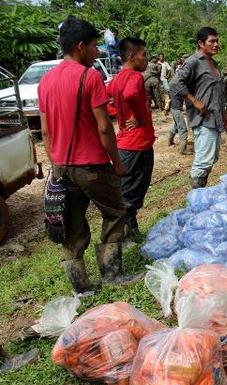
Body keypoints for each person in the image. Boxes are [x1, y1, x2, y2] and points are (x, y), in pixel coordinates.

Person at [38, 16, 134, 294]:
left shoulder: (46, 82)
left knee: (73, 224)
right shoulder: (89, 76)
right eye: (94, 46)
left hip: (62, 167)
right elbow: (105, 127)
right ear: (81, 46)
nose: (97, 51)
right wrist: (117, 162)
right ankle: (112, 273)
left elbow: (45, 132)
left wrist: (56, 163)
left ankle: (81, 287)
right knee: (115, 212)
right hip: (92, 164)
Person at [107, 37, 155, 241]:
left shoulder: (116, 78)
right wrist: (140, 116)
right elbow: (130, 95)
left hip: (125, 143)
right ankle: (126, 236)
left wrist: (118, 113)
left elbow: (105, 99)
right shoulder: (134, 77)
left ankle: (131, 230)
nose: (146, 58)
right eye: (143, 54)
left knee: (127, 188)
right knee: (133, 190)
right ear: (131, 56)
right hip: (137, 144)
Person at [170, 27, 227, 188]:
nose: (216, 44)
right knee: (203, 162)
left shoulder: (214, 63)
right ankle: (196, 198)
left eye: (217, 41)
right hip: (202, 119)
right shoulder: (194, 61)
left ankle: (200, 194)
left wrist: (224, 114)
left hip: (215, 118)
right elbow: (175, 82)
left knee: (211, 159)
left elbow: (217, 93)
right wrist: (193, 100)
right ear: (201, 43)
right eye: (212, 41)